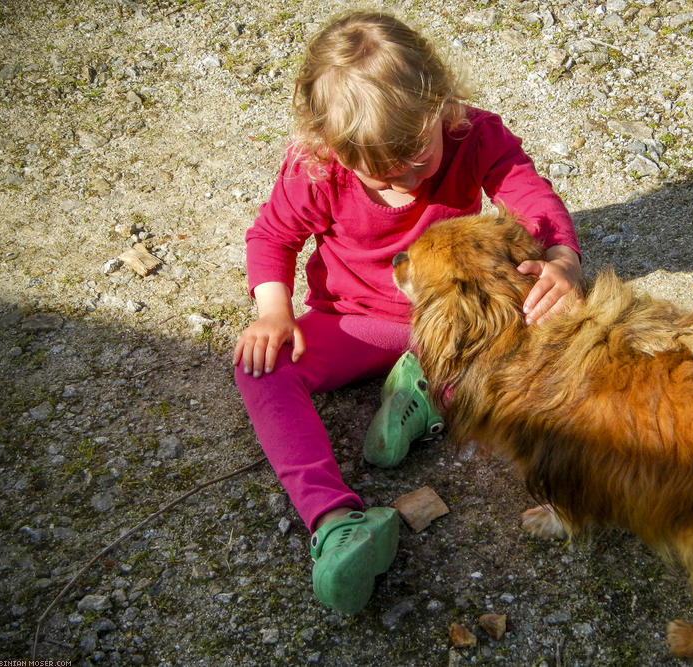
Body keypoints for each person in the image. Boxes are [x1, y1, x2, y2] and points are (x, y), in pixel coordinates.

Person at [233, 10, 581, 614]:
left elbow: (531, 195)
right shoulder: (314, 170)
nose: (409, 182)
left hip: (454, 323)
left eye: (420, 160)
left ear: (443, 107)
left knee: (542, 367)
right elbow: (271, 237)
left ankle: (423, 389)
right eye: (384, 176)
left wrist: (562, 263)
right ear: (327, 146)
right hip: (357, 319)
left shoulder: (474, 134)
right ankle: (337, 523)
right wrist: (273, 311)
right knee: (261, 369)